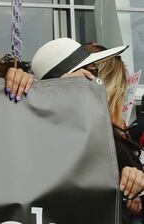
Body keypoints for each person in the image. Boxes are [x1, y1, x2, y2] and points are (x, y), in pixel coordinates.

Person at [33, 39, 143, 221]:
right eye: (88, 72)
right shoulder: (39, 133)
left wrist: (136, 179)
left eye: (94, 72)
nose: (93, 78)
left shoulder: (101, 133)